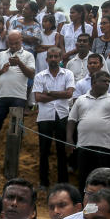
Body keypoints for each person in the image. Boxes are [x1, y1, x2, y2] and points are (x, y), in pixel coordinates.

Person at [0, 31, 36, 166]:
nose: (13, 46)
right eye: (11, 43)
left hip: (18, 97)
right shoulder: (1, 55)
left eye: (16, 43)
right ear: (7, 42)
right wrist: (1, 70)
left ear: (21, 41)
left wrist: (19, 63)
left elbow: (31, 74)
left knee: (15, 129)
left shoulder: (28, 55)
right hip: (1, 96)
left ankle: (14, 158)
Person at [68, 71, 110, 186]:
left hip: (104, 146)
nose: (107, 83)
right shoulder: (81, 99)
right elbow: (71, 120)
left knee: (102, 178)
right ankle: (83, 202)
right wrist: (69, 139)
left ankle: (101, 203)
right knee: (83, 177)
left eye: (108, 81)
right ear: (94, 82)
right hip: (83, 145)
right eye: (104, 81)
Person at [34, 47, 75, 188]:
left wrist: (49, 93)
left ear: (60, 58)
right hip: (45, 117)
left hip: (63, 115)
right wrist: (59, 93)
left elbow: (69, 94)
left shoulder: (68, 74)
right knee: (44, 151)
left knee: (61, 150)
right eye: (50, 56)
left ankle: (63, 183)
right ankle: (43, 182)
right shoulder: (40, 76)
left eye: (55, 56)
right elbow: (38, 97)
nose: (53, 59)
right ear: (46, 59)